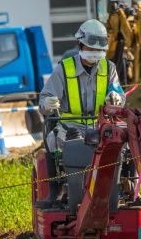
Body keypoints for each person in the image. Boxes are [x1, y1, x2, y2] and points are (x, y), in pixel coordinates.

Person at [36, 19, 125, 208]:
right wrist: (48, 103)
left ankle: (127, 186)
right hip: (69, 127)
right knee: (53, 139)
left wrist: (116, 98)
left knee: (125, 141)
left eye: (98, 50)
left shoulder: (109, 68)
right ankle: (56, 190)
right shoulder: (63, 69)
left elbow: (120, 95)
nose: (94, 54)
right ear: (80, 44)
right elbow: (43, 102)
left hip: (101, 125)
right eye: (90, 49)